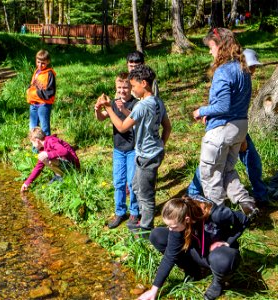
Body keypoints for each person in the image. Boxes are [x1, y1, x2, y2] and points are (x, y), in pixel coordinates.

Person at [187, 48, 269, 207]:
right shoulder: (235, 74)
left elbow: (228, 106)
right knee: (215, 166)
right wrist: (208, 113)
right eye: (252, 66)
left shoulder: (241, 77)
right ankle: (195, 192)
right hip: (230, 127)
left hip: (232, 128)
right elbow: (223, 104)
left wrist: (203, 111)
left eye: (254, 67)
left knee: (216, 166)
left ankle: (251, 198)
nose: (253, 70)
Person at [96, 64, 172, 233]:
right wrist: (161, 145)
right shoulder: (158, 101)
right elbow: (167, 127)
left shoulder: (142, 105)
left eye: (134, 86)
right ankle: (137, 216)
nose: (132, 89)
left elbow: (122, 127)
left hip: (146, 155)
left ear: (143, 83)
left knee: (146, 195)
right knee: (136, 185)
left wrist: (109, 107)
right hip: (152, 152)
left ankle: (145, 228)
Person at [138, 196, 248, 300]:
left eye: (173, 226)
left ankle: (219, 282)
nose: (170, 229)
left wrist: (227, 242)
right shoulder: (179, 221)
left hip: (219, 255)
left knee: (222, 259)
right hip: (199, 252)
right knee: (157, 235)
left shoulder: (216, 214)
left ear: (186, 219)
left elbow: (243, 220)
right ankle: (194, 271)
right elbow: (169, 256)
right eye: (168, 226)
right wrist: (154, 290)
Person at [94, 72, 139, 229]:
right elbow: (101, 117)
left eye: (125, 87)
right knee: (118, 182)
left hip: (133, 148)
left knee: (132, 182)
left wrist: (122, 109)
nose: (122, 91)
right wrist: (98, 110)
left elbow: (128, 122)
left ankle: (134, 211)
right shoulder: (113, 103)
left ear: (131, 87)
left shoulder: (135, 104)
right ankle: (120, 212)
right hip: (118, 149)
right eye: (119, 88)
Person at [21, 127, 80, 191]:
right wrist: (27, 183)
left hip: (73, 167)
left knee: (44, 157)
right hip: (64, 165)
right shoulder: (43, 149)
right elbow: (39, 167)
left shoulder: (51, 141)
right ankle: (59, 175)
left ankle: (61, 176)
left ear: (37, 141)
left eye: (32, 143)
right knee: (42, 157)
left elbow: (64, 151)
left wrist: (48, 154)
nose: (33, 146)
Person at [26, 49, 56, 137]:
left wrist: (37, 93)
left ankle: (47, 147)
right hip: (33, 104)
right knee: (32, 127)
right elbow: (33, 84)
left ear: (48, 62)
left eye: (43, 63)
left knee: (44, 127)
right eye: (38, 62)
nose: (40, 65)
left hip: (44, 105)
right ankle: (35, 148)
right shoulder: (37, 72)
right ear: (36, 60)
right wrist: (29, 90)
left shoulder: (50, 74)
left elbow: (50, 92)